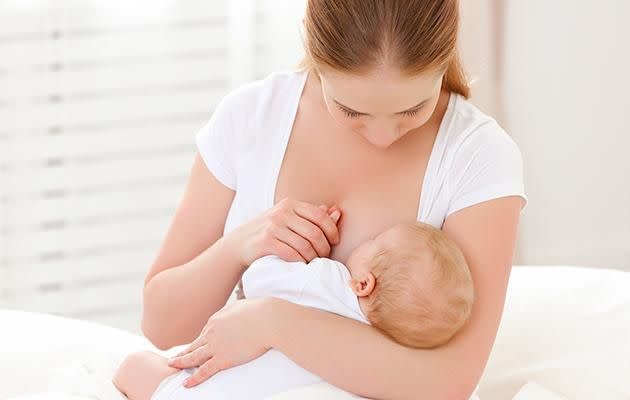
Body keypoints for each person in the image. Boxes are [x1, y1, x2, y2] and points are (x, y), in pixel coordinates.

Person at [128, 0, 527, 398]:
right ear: (311, 42)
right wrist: (241, 245)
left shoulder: (477, 155)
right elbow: (162, 328)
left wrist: (272, 323)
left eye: (413, 109)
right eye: (351, 111)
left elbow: (447, 382)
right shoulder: (250, 118)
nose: (382, 137)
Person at [113, 219, 475, 400]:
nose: (365, 240)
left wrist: (292, 250)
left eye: (374, 242)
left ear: (364, 283)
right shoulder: (379, 354)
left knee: (136, 366)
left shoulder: (330, 281)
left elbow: (260, 281)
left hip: (208, 390)